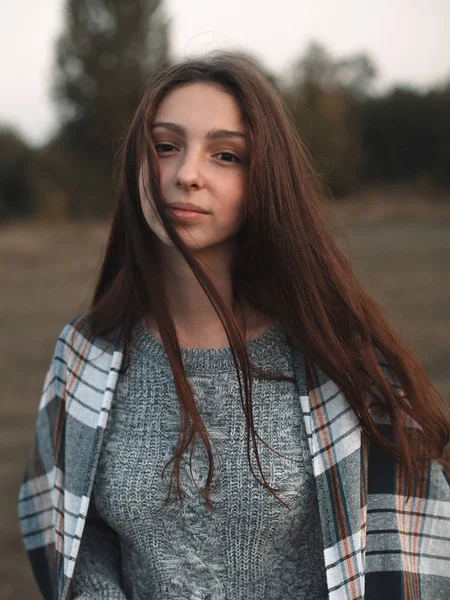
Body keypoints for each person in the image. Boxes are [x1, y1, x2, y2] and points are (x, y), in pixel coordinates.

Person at [18, 51, 449, 600]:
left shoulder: (336, 355)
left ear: (265, 179)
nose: (186, 175)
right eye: (165, 146)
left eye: (225, 155)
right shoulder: (85, 354)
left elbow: (411, 550)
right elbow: (70, 533)